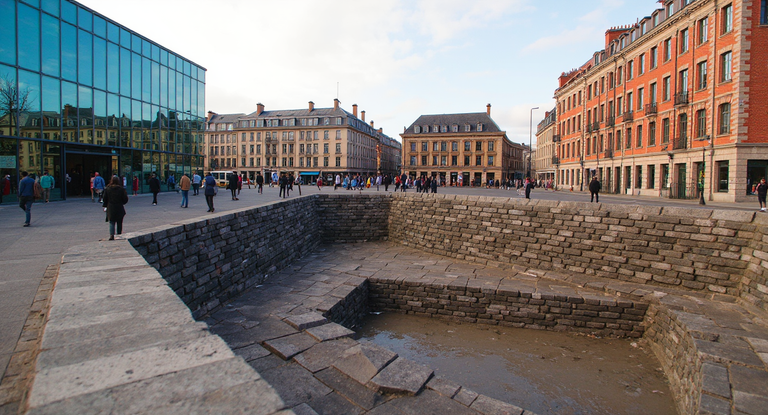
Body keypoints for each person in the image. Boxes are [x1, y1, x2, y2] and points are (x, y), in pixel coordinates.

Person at [102, 176, 128, 240]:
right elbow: (125, 199)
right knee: (119, 222)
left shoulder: (108, 189)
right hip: (119, 207)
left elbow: (105, 198)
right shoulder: (121, 189)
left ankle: (112, 235)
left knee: (111, 222)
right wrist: (122, 202)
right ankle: (119, 234)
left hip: (111, 207)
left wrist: (105, 205)